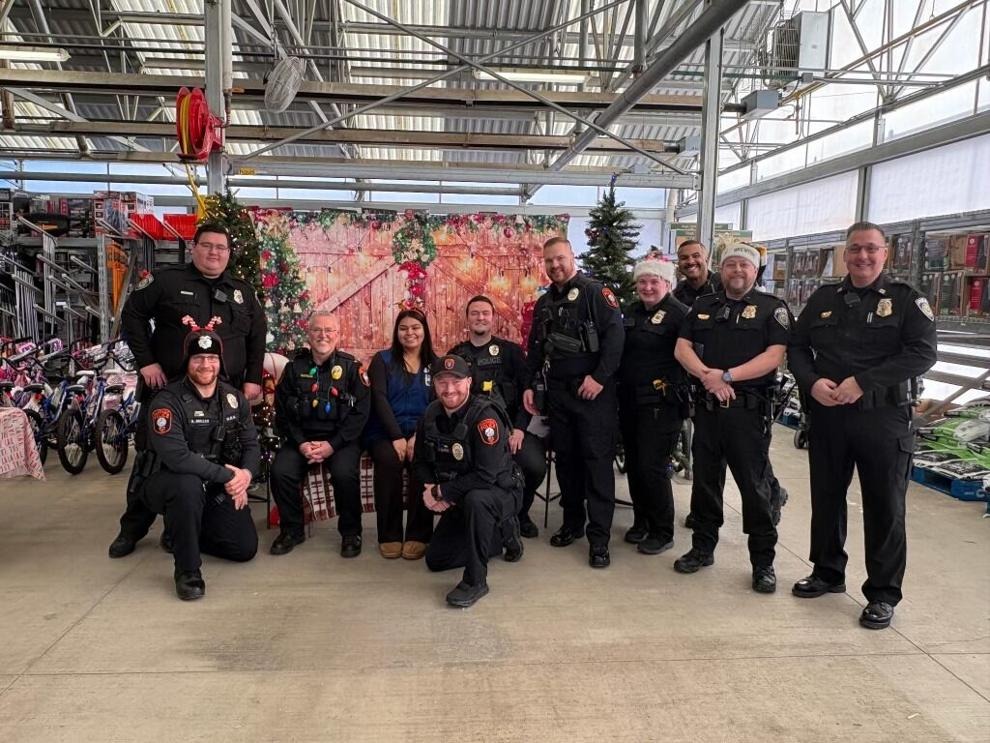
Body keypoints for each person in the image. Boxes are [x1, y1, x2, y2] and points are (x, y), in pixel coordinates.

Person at [788, 221, 937, 630]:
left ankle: (883, 594)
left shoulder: (906, 300)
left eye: (871, 249)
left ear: (885, 253)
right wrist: (812, 381)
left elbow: (923, 354)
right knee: (827, 497)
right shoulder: (822, 299)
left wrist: (862, 383)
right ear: (845, 254)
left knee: (885, 507)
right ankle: (827, 572)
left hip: (884, 420)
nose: (862, 256)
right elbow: (797, 347)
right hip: (830, 416)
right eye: (855, 249)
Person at [109, 222, 267, 559]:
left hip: (222, 392)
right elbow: (133, 313)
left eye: (221, 247)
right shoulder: (168, 281)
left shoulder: (242, 291)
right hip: (167, 388)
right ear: (193, 248)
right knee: (153, 461)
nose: (214, 252)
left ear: (229, 253)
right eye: (207, 245)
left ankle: (194, 524)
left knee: (221, 454)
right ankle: (132, 529)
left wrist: (253, 377)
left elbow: (257, 334)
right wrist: (146, 362)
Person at [673, 244, 791, 593]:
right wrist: (708, 376)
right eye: (730, 265)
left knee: (754, 489)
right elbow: (682, 348)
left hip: (748, 414)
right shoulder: (704, 305)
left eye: (744, 265)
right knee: (706, 483)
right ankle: (702, 548)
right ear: (720, 270)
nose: (736, 270)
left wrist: (727, 377)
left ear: (755, 271)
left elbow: (774, 357)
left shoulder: (772, 308)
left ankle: (763, 562)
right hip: (708, 412)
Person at [139, 319, 259, 600]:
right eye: (198, 358)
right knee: (187, 485)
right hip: (167, 482)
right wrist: (229, 477)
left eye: (212, 358)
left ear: (220, 361)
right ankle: (188, 571)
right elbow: (179, 458)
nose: (206, 364)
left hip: (216, 483)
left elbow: (251, 444)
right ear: (187, 361)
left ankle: (179, 533)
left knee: (244, 549)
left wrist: (245, 477)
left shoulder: (233, 399)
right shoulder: (167, 401)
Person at [523, 236, 624, 568]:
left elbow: (615, 339)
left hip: (593, 393)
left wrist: (599, 378)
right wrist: (529, 384)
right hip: (559, 395)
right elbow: (536, 348)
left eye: (560, 259)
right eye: (549, 261)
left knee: (596, 465)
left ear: (572, 257)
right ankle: (572, 523)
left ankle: (599, 540)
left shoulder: (596, 293)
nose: (555, 265)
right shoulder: (544, 303)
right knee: (566, 462)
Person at [415, 355, 523, 608]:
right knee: (436, 560)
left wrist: (444, 491)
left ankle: (476, 581)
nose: (449, 389)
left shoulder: (485, 418)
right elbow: (419, 462)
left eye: (456, 381)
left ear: (469, 382)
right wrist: (431, 488)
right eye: (442, 381)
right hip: (458, 494)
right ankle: (500, 535)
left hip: (500, 492)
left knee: (478, 500)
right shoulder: (431, 414)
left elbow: (486, 476)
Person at [268, 310, 371, 558]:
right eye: (317, 330)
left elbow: (361, 413)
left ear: (337, 335)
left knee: (345, 474)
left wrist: (332, 446)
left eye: (329, 330)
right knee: (280, 471)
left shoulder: (352, 368)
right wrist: (302, 444)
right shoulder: (294, 369)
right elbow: (282, 412)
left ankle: (350, 532)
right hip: (300, 439)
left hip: (340, 440)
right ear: (309, 333)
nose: (323, 335)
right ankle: (292, 530)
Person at [448, 295, 545, 538]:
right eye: (475, 313)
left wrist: (520, 429)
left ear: (493, 318)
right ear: (467, 319)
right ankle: (476, 516)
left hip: (511, 429)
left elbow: (527, 393)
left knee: (534, 466)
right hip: (470, 434)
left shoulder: (510, 352)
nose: (480, 317)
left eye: (485, 313)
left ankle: (519, 513)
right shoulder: (456, 355)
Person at [617, 258, 690, 555]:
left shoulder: (680, 315)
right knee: (634, 464)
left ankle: (662, 530)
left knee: (653, 467)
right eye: (642, 281)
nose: (647, 287)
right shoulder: (631, 312)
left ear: (667, 284)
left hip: (662, 405)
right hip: (631, 401)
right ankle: (641, 520)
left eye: (654, 281)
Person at [364, 308, 438, 560]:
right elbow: (379, 399)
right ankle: (389, 534)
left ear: (425, 331)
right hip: (385, 431)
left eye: (416, 328)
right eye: (404, 328)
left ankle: (419, 534)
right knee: (388, 460)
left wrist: (417, 437)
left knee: (423, 460)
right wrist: (396, 437)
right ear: (397, 332)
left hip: (422, 432)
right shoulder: (382, 361)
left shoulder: (435, 364)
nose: (410, 333)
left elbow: (436, 406)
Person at [673, 239, 723, 307]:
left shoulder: (724, 287)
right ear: (678, 263)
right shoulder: (676, 295)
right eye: (684, 258)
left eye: (696, 256)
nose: (690, 262)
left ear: (706, 260)